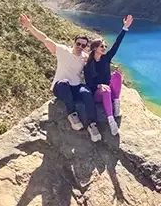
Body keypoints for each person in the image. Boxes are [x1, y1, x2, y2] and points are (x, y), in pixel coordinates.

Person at [19, 14, 103, 143]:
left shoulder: (85, 57)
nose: (80, 47)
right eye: (78, 44)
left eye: (83, 45)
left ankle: (92, 125)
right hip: (60, 88)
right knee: (64, 83)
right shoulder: (62, 50)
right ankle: (72, 114)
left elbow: (97, 63)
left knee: (86, 92)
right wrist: (29, 26)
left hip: (75, 88)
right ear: (73, 43)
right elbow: (45, 39)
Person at [85, 15, 133, 136]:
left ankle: (116, 102)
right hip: (98, 94)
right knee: (106, 90)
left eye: (105, 46)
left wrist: (125, 28)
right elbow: (89, 84)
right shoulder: (88, 65)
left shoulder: (106, 58)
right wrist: (99, 86)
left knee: (117, 75)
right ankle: (111, 121)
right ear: (95, 48)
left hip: (108, 90)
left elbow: (116, 44)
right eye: (102, 46)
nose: (104, 48)